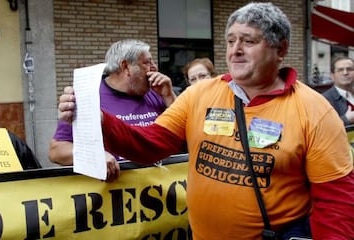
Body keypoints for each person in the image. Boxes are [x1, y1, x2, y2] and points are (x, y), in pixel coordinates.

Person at [59, 2, 354, 239]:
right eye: (230, 40)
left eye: (248, 41)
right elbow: (150, 144)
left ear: (281, 49)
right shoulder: (200, 94)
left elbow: (337, 204)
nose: (235, 49)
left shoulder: (315, 110)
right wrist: (98, 119)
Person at [49, 39, 177, 181]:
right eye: (146, 63)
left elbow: (184, 132)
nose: (154, 68)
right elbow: (56, 151)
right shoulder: (88, 98)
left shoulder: (157, 93)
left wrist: (169, 96)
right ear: (126, 66)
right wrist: (94, 155)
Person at [322, 56, 354, 126]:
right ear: (332, 76)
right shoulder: (324, 99)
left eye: (349, 69)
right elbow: (323, 127)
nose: (345, 73)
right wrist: (346, 119)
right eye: (340, 70)